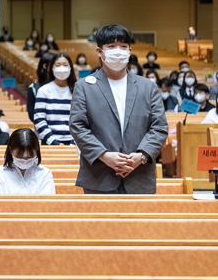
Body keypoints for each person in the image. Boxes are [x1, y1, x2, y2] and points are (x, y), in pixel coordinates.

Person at [69, 24, 168, 194]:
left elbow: (159, 127)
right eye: (112, 46)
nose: (118, 51)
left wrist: (141, 156)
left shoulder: (148, 87)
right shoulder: (84, 87)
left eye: (123, 46)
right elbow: (78, 127)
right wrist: (104, 155)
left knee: (139, 222)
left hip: (140, 176)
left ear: (130, 51)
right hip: (99, 177)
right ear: (100, 52)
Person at [0, 128, 55, 195]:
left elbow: (47, 203)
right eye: (19, 156)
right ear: (10, 149)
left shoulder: (45, 174)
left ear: (37, 150)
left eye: (30, 156)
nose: (25, 160)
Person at [33, 52, 77, 146]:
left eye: (65, 65)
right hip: (49, 143)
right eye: (58, 65)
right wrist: (53, 142)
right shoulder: (44, 91)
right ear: (52, 69)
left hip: (74, 143)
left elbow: (82, 119)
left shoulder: (78, 91)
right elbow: (39, 119)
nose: (62, 68)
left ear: (70, 68)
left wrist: (74, 143)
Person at [27, 52, 54, 123]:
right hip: (41, 129)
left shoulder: (62, 86)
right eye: (55, 65)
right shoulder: (33, 88)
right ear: (45, 66)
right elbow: (32, 114)